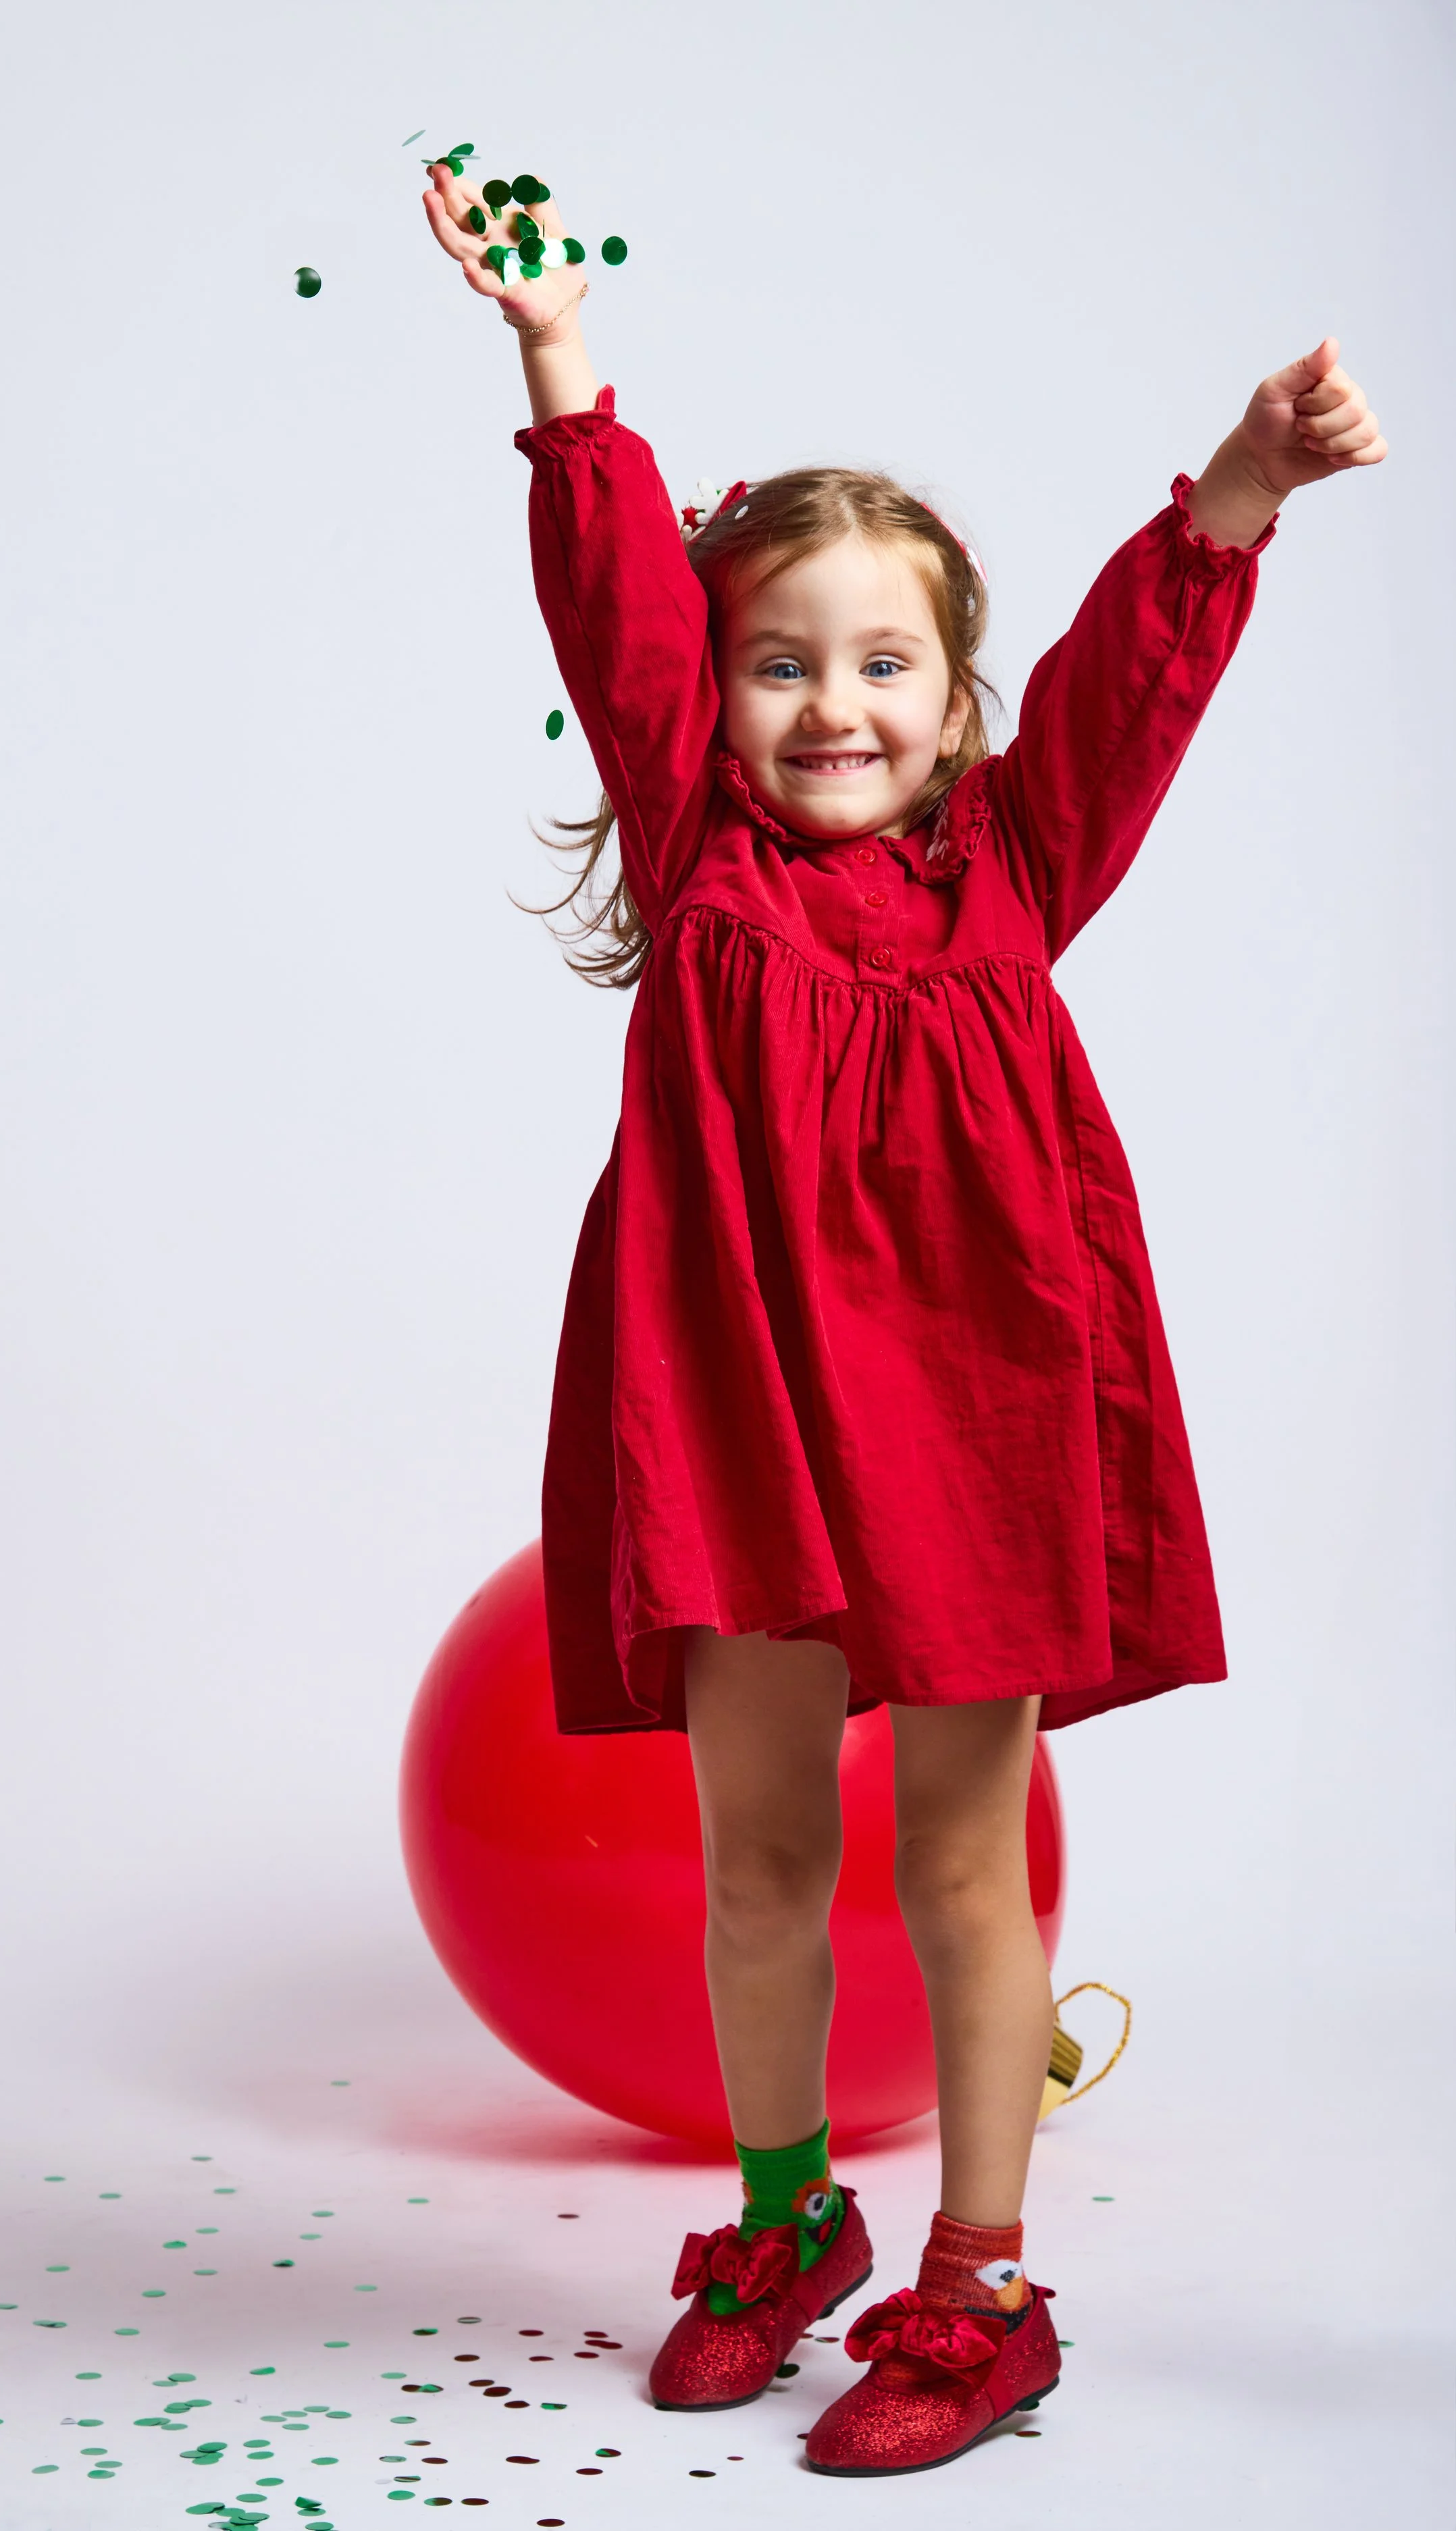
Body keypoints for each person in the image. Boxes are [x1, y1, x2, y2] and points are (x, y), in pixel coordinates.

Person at [422, 159, 1386, 2476]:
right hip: (742, 1406)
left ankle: (977, 2283)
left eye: (882, 664)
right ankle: (781, 2225)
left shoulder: (1017, 865)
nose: (826, 701)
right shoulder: (704, 860)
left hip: (971, 1418)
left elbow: (1129, 687)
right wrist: (560, 371)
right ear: (716, 695)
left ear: (955, 705)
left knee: (958, 1857)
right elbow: (613, 621)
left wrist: (1235, 495)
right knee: (758, 1859)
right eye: (779, 659)